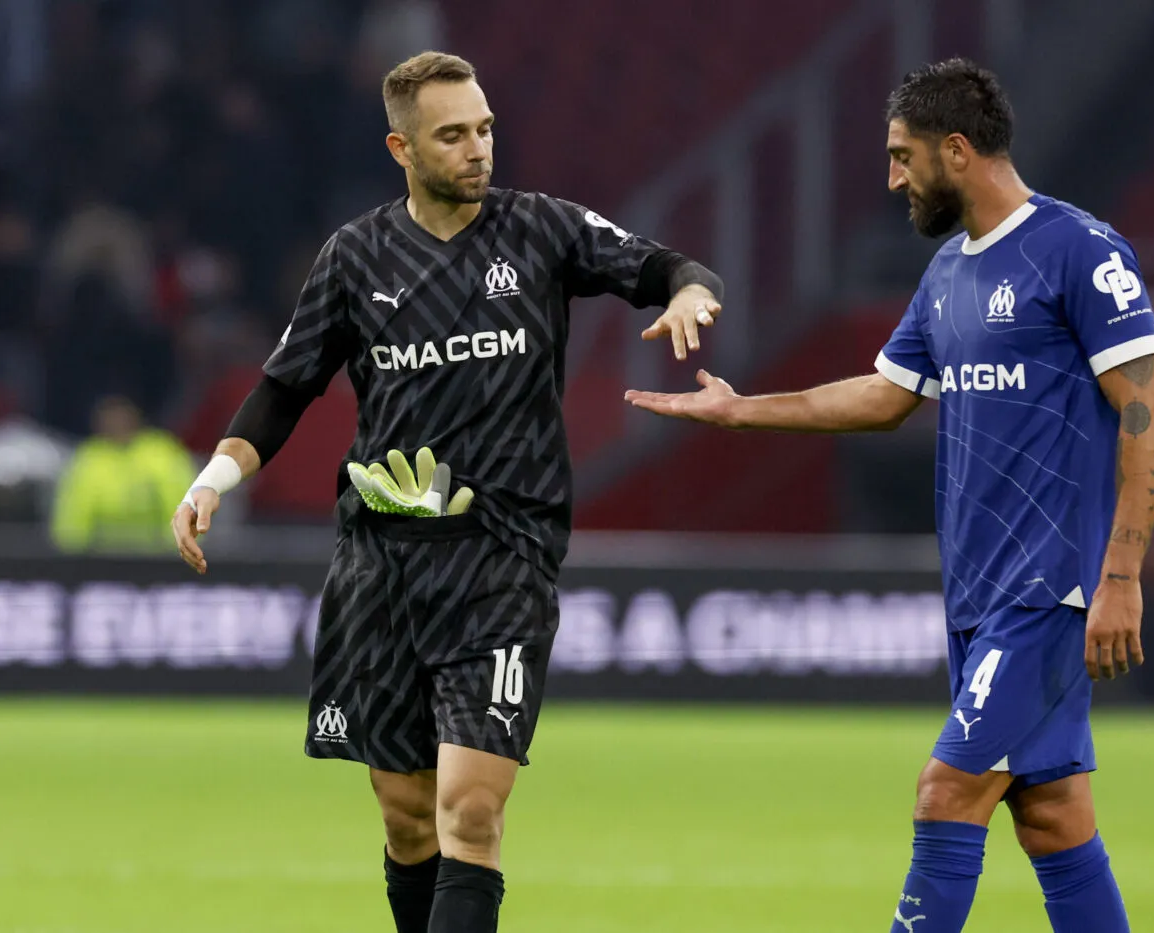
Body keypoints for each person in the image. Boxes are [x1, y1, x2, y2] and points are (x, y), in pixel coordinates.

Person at [170, 51, 722, 933]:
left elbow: (669, 265)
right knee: (406, 818)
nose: (478, 150)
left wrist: (692, 293)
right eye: (453, 135)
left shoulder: (540, 229)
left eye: (486, 130)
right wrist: (213, 480)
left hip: (502, 561)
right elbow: (284, 388)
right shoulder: (355, 256)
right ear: (402, 147)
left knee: (471, 810)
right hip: (380, 566)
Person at [625, 58, 1154, 933]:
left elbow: (1149, 408)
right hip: (978, 595)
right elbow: (885, 396)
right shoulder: (949, 272)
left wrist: (1121, 574)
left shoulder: (1079, 250)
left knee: (945, 792)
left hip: (1049, 587)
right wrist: (740, 412)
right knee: (1053, 817)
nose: (891, 177)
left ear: (955, 150)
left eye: (901, 155)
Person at [51, 395, 194, 553]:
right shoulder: (88, 459)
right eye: (110, 418)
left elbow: (185, 509)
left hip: (158, 558)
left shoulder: (162, 453)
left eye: (121, 416)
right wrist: (75, 561)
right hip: (101, 561)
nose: (116, 423)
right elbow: (71, 524)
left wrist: (179, 556)